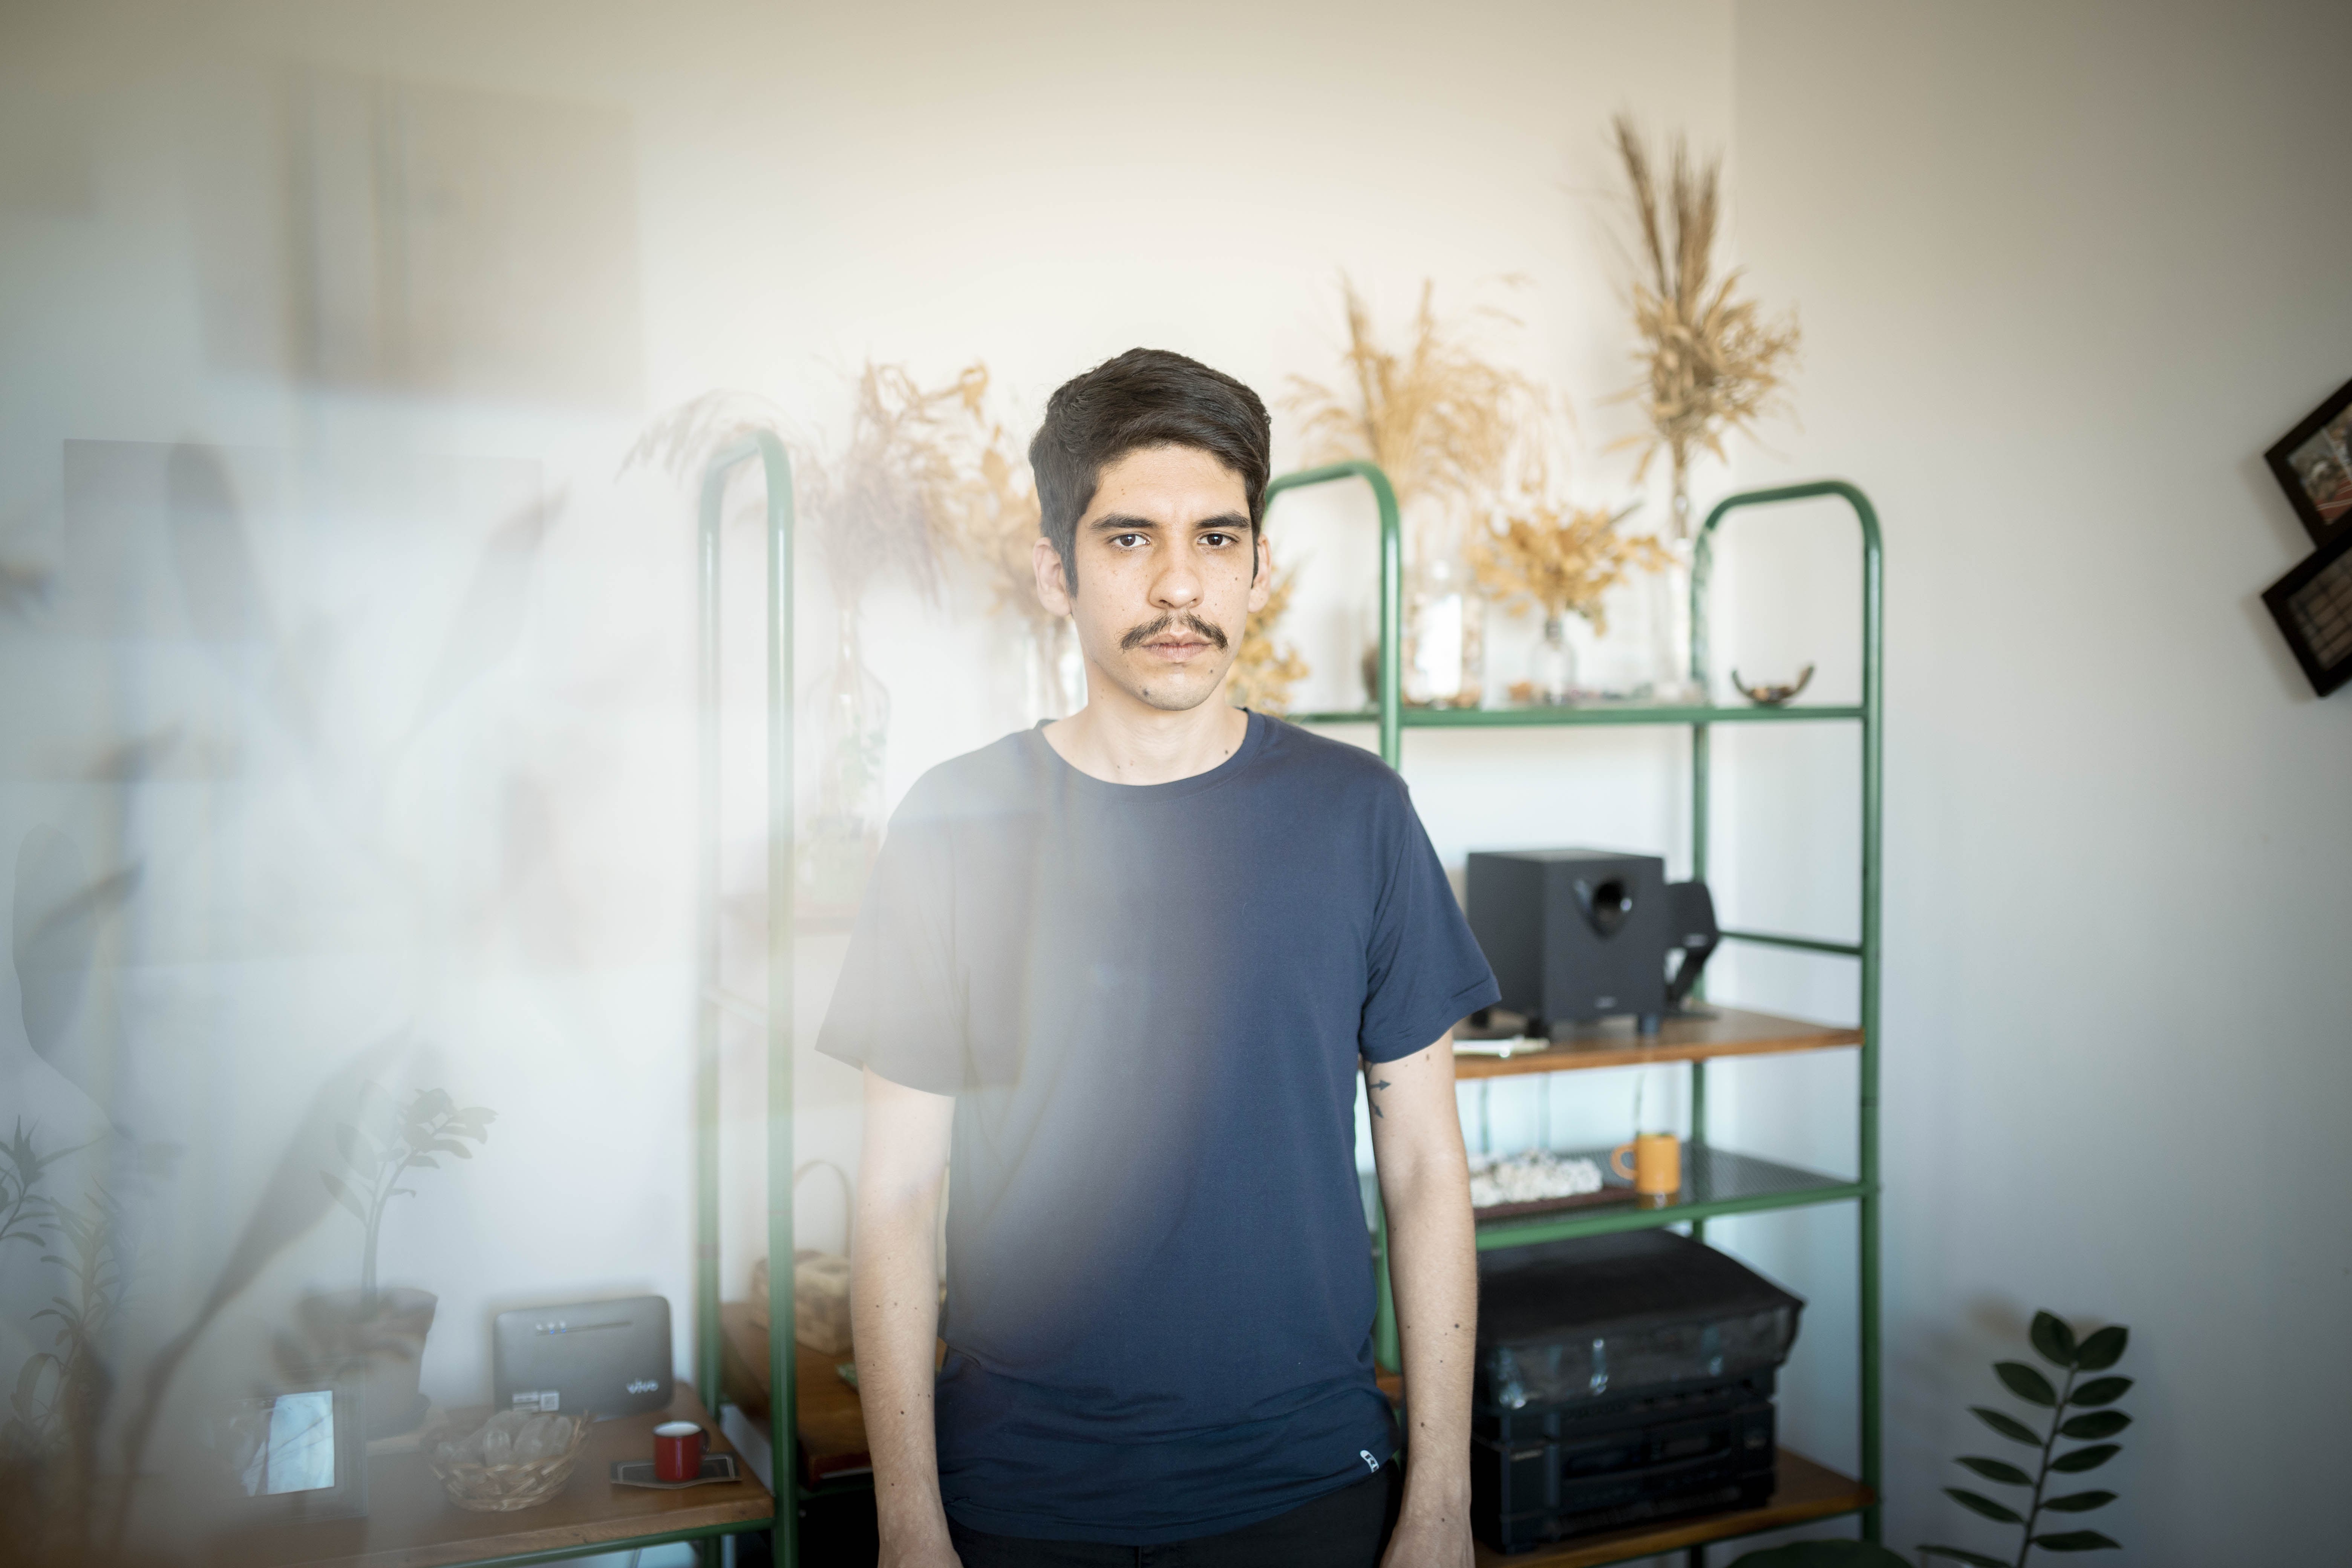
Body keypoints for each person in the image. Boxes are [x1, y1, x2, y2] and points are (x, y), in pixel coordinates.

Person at [820, 347, 1497, 1568]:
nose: (1179, 585)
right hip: (1017, 1490)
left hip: (1306, 1484)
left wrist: (1441, 1504)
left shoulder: (1360, 816)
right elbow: (899, 1193)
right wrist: (908, 1525)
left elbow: (1423, 1170)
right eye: (1130, 538)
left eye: (1216, 540)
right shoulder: (952, 825)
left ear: (1260, 566)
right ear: (1056, 571)